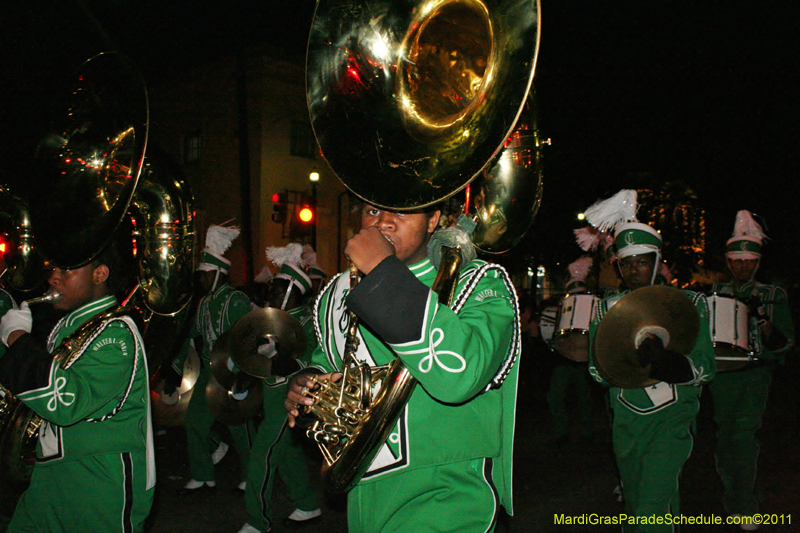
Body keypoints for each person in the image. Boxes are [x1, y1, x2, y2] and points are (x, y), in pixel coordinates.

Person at [286, 205, 520, 532]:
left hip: (448, 497)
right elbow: (330, 362)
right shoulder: (336, 296)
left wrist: (383, 272)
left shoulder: (477, 281)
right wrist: (307, 384)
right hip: (366, 494)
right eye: (371, 210)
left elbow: (460, 375)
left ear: (433, 220)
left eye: (401, 210)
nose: (383, 222)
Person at [0, 242, 155, 532]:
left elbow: (66, 402)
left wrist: (17, 338)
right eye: (54, 268)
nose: (53, 277)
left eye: (66, 269)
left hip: (97, 486)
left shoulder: (115, 332)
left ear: (100, 274)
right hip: (50, 480)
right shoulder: (69, 327)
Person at [584, 190, 715, 532]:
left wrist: (669, 363)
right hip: (626, 424)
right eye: (626, 262)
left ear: (656, 261)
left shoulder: (688, 303)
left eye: (641, 261)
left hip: (671, 423)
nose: (633, 269)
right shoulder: (607, 308)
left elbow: (706, 366)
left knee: (651, 512)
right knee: (640, 506)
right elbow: (597, 370)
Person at [708, 210, 794, 531]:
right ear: (728, 262)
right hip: (722, 374)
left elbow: (786, 343)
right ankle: (738, 491)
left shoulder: (774, 295)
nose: (742, 266)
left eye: (748, 262)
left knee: (744, 436)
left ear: (757, 263)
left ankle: (743, 502)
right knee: (725, 437)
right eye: (736, 261)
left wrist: (764, 321)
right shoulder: (715, 293)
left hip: (755, 374)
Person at [238, 244, 321, 533]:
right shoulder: (270, 318)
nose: (271, 293)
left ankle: (257, 521)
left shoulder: (308, 321)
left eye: (278, 288)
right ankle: (308, 503)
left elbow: (314, 361)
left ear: (294, 290)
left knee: (261, 457)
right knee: (286, 455)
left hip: (289, 402)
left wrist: (281, 357)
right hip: (271, 399)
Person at [180, 223, 255, 492]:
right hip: (208, 373)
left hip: (231, 372)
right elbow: (193, 335)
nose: (199, 280)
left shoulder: (235, 299)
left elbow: (245, 339)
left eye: (204, 274)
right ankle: (202, 473)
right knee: (194, 422)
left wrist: (242, 375)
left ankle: (251, 475)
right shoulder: (205, 302)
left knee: (240, 429)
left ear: (218, 274)